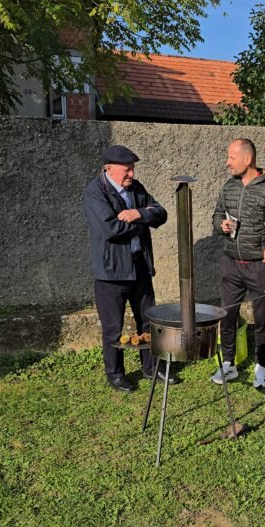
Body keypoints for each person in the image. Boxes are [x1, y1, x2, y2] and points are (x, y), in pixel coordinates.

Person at [83, 145, 178, 393]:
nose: (132, 174)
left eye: (133, 169)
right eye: (127, 170)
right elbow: (111, 230)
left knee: (148, 322)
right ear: (109, 169)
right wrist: (144, 222)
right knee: (113, 329)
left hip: (140, 267)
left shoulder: (136, 188)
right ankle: (116, 374)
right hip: (111, 272)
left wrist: (138, 213)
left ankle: (151, 367)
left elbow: (161, 213)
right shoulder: (95, 193)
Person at [211, 138, 265, 389]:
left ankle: (260, 367)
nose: (227, 162)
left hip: (258, 267)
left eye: (231, 157)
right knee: (227, 315)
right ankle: (228, 364)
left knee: (262, 318)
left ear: (247, 159)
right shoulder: (229, 187)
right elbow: (217, 214)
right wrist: (221, 224)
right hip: (231, 264)